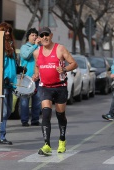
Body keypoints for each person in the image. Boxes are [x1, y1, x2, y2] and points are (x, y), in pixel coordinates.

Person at [32, 27, 78, 156]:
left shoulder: (60, 49)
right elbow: (37, 66)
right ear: (39, 38)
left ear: (51, 36)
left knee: (60, 115)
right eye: (42, 36)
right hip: (45, 87)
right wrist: (36, 75)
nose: (45, 38)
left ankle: (62, 140)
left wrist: (64, 69)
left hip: (60, 86)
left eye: (47, 35)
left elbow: (74, 64)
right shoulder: (37, 52)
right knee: (46, 114)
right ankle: (46, 144)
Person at [0, 22, 22, 145]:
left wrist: (19, 69)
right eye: (5, 31)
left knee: (7, 110)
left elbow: (11, 65)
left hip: (10, 83)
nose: (7, 33)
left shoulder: (11, 46)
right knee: (4, 111)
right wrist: (2, 77)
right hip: (1, 82)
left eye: (9, 31)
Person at [19, 28, 41, 127]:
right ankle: (24, 120)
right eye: (32, 35)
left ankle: (35, 119)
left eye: (36, 35)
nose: (35, 37)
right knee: (25, 100)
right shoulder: (24, 47)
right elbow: (26, 56)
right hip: (26, 78)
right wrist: (35, 45)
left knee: (37, 100)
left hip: (37, 77)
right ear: (28, 37)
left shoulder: (40, 48)